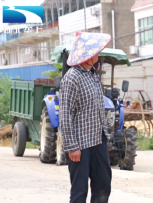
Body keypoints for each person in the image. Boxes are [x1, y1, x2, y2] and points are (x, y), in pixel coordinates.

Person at [59, 32, 112, 203]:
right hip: (80, 146)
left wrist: (106, 138)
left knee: (103, 186)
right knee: (79, 192)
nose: (98, 54)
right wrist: (72, 146)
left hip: (98, 140)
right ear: (87, 55)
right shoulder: (71, 78)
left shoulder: (93, 75)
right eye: (96, 51)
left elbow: (98, 108)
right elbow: (65, 115)